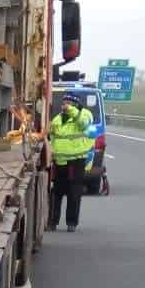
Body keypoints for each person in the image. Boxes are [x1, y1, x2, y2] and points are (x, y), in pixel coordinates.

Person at [48, 91, 94, 232]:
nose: (65, 105)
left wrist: (72, 111)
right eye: (63, 103)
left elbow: (83, 124)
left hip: (76, 160)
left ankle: (71, 222)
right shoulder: (57, 119)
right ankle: (53, 222)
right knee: (57, 192)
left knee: (74, 192)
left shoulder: (84, 114)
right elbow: (52, 137)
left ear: (75, 104)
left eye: (68, 103)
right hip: (60, 160)